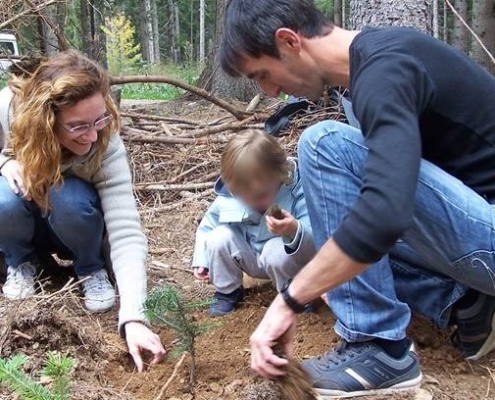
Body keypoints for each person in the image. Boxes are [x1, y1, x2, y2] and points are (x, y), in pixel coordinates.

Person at [220, 0, 495, 397]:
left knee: (324, 144)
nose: (271, 91)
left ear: (289, 41)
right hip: (475, 231)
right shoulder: (374, 65)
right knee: (341, 243)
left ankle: (377, 347)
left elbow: (385, 214)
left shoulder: (385, 71)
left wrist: (289, 301)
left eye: (264, 74)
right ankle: (468, 304)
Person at [0, 51, 165, 371]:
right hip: (24, 219)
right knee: (3, 197)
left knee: (69, 195)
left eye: (99, 119)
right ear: (45, 120)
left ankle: (90, 268)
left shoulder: (106, 141)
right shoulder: (8, 109)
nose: (93, 135)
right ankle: (21, 262)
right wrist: (5, 162)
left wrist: (134, 315)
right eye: (78, 126)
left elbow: (125, 230)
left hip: (74, 227)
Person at [192, 130, 315, 317]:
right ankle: (228, 292)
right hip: (252, 256)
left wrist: (292, 229)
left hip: (288, 261)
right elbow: (209, 226)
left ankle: (297, 295)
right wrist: (202, 259)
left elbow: (315, 239)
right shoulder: (233, 195)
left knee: (275, 251)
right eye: (242, 196)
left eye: (260, 195)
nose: (252, 202)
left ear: (281, 175)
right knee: (219, 237)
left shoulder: (298, 189)